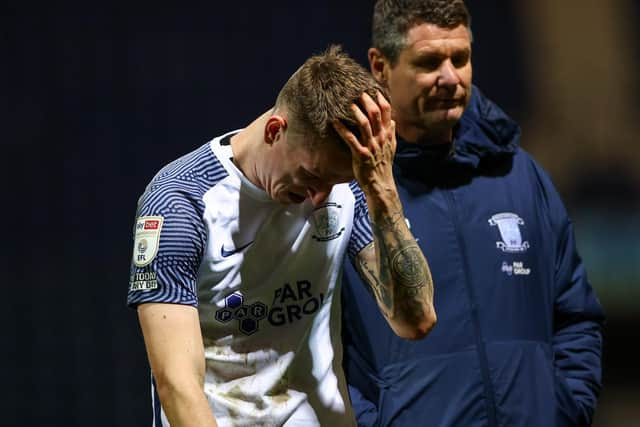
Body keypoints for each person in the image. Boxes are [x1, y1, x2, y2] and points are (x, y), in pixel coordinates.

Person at [127, 46, 436, 427]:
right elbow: (176, 384)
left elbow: (416, 320)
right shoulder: (180, 202)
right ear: (275, 130)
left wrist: (382, 191)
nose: (319, 197)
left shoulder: (350, 188)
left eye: (335, 183)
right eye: (311, 176)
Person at [340, 1, 605, 426]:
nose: (450, 77)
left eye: (460, 58)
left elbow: (574, 316)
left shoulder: (521, 176)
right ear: (380, 65)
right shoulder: (346, 197)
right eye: (429, 62)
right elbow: (323, 346)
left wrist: (566, 409)